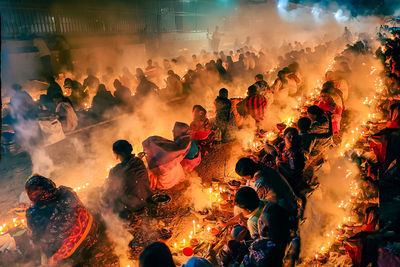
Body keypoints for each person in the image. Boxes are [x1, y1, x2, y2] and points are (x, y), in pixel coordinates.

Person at [25, 175, 119, 266]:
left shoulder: (34, 214)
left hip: (71, 255)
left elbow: (36, 239)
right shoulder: (66, 192)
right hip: (91, 235)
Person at [103, 140, 153, 219]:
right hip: (147, 197)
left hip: (133, 205)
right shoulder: (139, 161)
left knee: (108, 196)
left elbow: (111, 190)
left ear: (116, 154)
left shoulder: (116, 170)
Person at [143, 122, 199, 190]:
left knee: (147, 175)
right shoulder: (185, 141)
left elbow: (157, 168)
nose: (172, 131)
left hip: (165, 181)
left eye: (174, 130)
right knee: (174, 164)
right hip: (179, 173)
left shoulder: (166, 154)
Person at [243, 202, 291, 267]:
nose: (262, 229)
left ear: (277, 229)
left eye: (269, 227)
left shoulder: (271, 251)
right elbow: (253, 239)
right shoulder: (264, 234)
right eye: (261, 222)